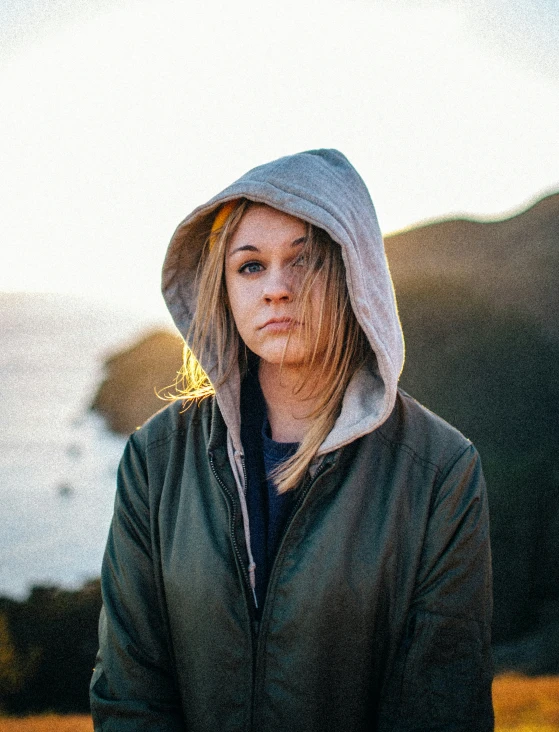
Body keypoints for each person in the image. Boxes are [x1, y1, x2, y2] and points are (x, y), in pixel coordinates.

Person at [90, 149, 494, 731]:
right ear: (223, 287)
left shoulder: (439, 472)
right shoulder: (156, 458)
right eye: (250, 266)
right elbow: (130, 694)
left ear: (353, 271)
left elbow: (440, 709)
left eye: (303, 262)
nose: (276, 288)